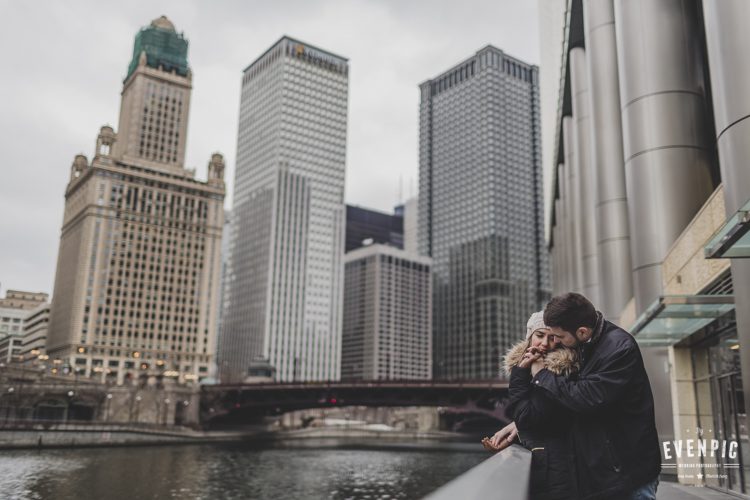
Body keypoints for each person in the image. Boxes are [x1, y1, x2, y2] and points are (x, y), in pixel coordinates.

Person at [489, 293, 661, 500]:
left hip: (628, 472)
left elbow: (585, 397)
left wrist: (541, 374)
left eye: (559, 337)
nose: (555, 342)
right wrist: (518, 425)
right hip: (604, 473)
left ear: (581, 331)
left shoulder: (618, 349)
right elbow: (561, 406)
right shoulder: (584, 345)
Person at [483, 311, 579, 500]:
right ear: (529, 336)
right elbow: (529, 416)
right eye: (540, 335)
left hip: (556, 471)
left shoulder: (562, 371)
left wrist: (528, 373)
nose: (544, 344)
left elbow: (530, 418)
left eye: (552, 338)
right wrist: (514, 433)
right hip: (546, 465)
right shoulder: (529, 366)